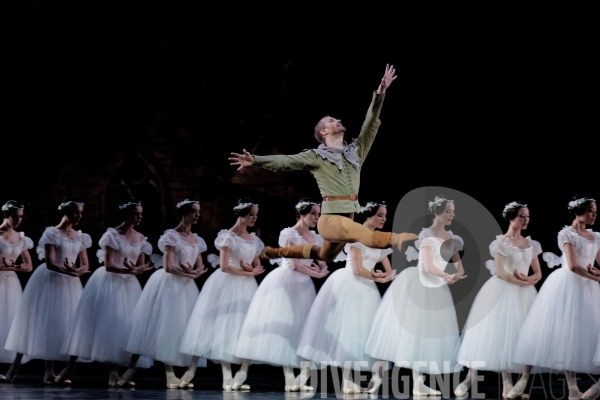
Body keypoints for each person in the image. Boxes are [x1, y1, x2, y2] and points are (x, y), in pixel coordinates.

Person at [229, 64, 417, 262]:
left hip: (348, 217)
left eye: (336, 118)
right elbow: (285, 161)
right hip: (330, 220)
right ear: (324, 132)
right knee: (365, 235)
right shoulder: (316, 156)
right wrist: (255, 160)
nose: (337, 120)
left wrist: (380, 92)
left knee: (324, 255)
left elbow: (370, 123)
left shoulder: (355, 152)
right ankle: (404, 238)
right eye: (331, 120)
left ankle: (276, 252)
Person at [365, 196, 466, 397]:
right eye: (448, 211)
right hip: (417, 284)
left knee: (424, 335)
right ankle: (376, 378)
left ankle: (418, 383)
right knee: (400, 332)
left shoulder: (451, 238)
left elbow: (460, 268)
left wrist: (455, 276)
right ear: (437, 213)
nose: (452, 215)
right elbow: (428, 266)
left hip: (437, 288)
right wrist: (446, 275)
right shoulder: (427, 236)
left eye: (453, 211)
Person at [296, 200, 396, 394]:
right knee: (344, 329)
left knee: (362, 332)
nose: (384, 219)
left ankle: (361, 379)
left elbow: (388, 268)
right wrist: (379, 278)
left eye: (385, 215)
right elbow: (358, 269)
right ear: (369, 215)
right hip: (349, 283)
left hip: (367, 288)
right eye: (380, 215)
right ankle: (344, 379)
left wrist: (388, 276)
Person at [233, 198, 331, 392]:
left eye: (318, 214)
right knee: (282, 327)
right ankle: (243, 371)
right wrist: (318, 273)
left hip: (304, 285)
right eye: (313, 213)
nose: (316, 218)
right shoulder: (288, 234)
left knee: (300, 329)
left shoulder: (316, 238)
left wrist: (322, 267)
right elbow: (294, 265)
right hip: (285, 281)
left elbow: (321, 261)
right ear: (302, 213)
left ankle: (292, 380)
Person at [511, 195, 600, 400]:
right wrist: (596, 277)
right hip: (568, 284)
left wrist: (596, 276)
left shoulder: (595, 236)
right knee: (558, 330)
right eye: (590, 211)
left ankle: (581, 388)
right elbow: (573, 265)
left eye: (595, 211)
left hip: (589, 286)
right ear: (578, 212)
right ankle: (536, 379)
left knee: (585, 332)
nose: (594, 215)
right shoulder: (567, 234)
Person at [56, 200, 154, 386]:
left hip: (129, 285)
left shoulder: (141, 237)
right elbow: (109, 265)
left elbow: (140, 265)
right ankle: (108, 371)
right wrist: (129, 270)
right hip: (110, 282)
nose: (139, 217)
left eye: (141, 214)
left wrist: (138, 269)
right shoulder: (112, 235)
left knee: (129, 325)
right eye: (136, 214)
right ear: (126, 215)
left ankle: (126, 369)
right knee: (108, 324)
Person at [454, 202, 542, 398]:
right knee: (499, 334)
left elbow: (537, 273)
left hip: (525, 292)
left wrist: (528, 280)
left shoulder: (531, 244)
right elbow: (501, 273)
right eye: (522, 216)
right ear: (511, 218)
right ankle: (474, 377)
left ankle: (516, 381)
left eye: (527, 216)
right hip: (503, 291)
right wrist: (520, 281)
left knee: (522, 335)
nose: (526, 220)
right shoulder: (501, 243)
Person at [179, 198, 265, 391]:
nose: (254, 218)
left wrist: (251, 268)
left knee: (246, 327)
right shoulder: (228, 237)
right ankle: (226, 375)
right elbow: (225, 267)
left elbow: (258, 266)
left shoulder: (254, 239)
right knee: (224, 326)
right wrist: (248, 272)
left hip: (247, 285)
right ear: (241, 214)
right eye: (251, 214)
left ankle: (242, 369)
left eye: (256, 215)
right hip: (227, 283)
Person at [4, 197, 92, 384]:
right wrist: (67, 270)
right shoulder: (51, 234)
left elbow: (84, 264)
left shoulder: (81, 236)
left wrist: (76, 271)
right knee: (42, 321)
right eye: (76, 212)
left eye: (81, 213)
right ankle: (17, 367)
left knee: (67, 322)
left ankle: (59, 370)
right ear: (66, 213)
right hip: (51, 279)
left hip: (70, 282)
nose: (79, 216)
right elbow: (51, 263)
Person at [126, 199, 208, 389]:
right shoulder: (171, 236)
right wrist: (189, 273)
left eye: (199, 211)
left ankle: (184, 371)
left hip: (187, 286)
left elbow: (199, 265)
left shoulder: (197, 239)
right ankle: (169, 374)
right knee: (167, 326)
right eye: (194, 212)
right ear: (185, 213)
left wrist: (195, 272)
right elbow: (169, 266)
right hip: (170, 284)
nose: (197, 215)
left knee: (183, 326)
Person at [0, 201, 34, 382]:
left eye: (21, 216)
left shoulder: (21, 238)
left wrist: (18, 267)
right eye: (16, 216)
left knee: (12, 320)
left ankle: (12, 368)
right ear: (7, 215)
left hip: (12, 283)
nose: (19, 220)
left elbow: (29, 266)